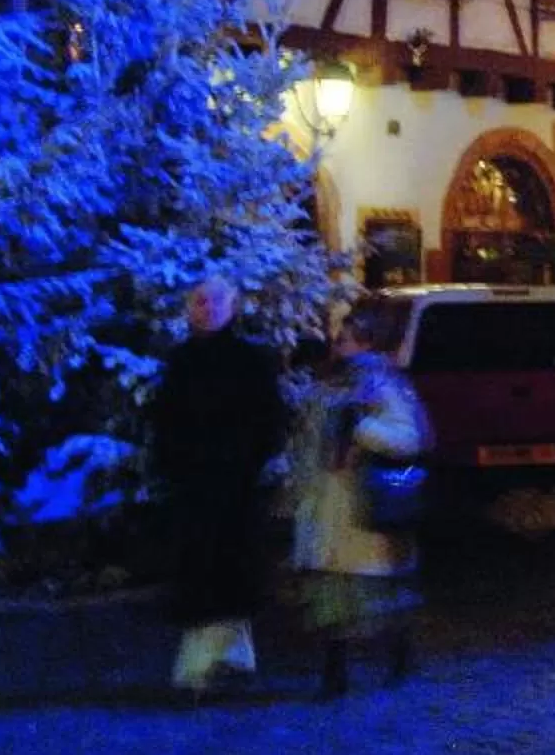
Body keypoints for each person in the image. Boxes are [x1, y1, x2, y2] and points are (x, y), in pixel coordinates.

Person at [150, 276, 287, 693]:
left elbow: (271, 420)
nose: (207, 308)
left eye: (215, 301)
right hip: (193, 485)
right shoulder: (181, 361)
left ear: (232, 306)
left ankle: (200, 667)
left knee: (223, 572)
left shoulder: (251, 359)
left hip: (234, 486)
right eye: (200, 302)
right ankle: (229, 658)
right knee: (207, 572)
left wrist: (246, 463)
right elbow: (165, 421)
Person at [293, 302, 431, 696]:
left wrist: (363, 429)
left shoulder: (382, 384)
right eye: (337, 339)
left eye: (346, 340)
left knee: (373, 592)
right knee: (332, 596)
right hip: (328, 506)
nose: (338, 346)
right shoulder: (328, 384)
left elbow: (410, 438)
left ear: (367, 343)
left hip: (363, 507)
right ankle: (335, 675)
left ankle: (399, 657)